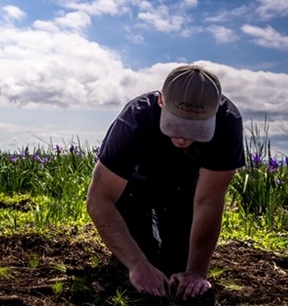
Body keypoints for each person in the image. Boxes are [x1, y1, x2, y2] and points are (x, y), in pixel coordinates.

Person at [86, 64, 244, 301]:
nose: (182, 138)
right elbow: (99, 199)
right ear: (161, 102)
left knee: (177, 266)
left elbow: (209, 201)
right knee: (143, 256)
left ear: (214, 114)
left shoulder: (228, 123)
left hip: (183, 192)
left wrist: (197, 271)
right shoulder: (135, 119)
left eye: (195, 130)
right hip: (132, 191)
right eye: (177, 125)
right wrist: (137, 264)